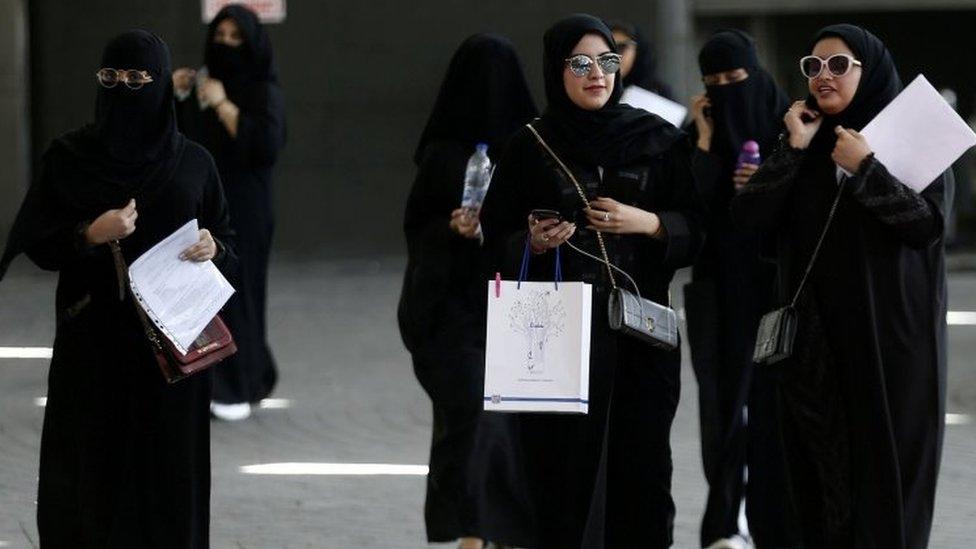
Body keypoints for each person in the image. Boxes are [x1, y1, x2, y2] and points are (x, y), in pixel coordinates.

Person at [0, 30, 236, 547]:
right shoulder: (69, 157)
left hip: (171, 350)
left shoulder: (193, 161)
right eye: (111, 78)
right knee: (90, 470)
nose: (122, 88)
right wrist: (89, 234)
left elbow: (228, 235)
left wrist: (212, 246)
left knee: (168, 473)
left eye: (137, 79)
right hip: (94, 345)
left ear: (158, 82)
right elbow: (36, 244)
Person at [480, 14, 703, 548]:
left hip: (642, 335)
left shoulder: (658, 139)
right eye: (579, 63)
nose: (596, 74)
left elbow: (700, 229)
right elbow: (495, 236)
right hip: (560, 340)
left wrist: (648, 223)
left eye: (606, 61)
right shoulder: (529, 145)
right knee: (563, 470)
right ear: (557, 70)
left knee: (642, 465)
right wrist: (533, 243)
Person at [731, 24, 950, 548]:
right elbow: (748, 221)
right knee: (818, 481)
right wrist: (790, 148)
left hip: (888, 348)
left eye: (838, 65)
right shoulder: (802, 142)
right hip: (813, 349)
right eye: (813, 66)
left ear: (868, 71)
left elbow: (927, 226)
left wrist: (866, 169)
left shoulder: (911, 138)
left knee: (886, 479)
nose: (822, 77)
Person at [398, 33, 538, 549]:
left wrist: (495, 233)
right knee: (471, 413)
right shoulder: (443, 156)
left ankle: (494, 527)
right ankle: (472, 530)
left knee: (504, 424)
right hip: (450, 314)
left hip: (517, 312)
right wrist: (452, 231)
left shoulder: (531, 150)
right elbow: (417, 230)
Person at [683, 30, 797, 549]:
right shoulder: (696, 137)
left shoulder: (789, 129)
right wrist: (705, 142)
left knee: (776, 411)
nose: (727, 91)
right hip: (719, 294)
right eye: (714, 83)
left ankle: (774, 521)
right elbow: (689, 213)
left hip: (778, 291)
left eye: (736, 79)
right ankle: (725, 523)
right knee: (723, 408)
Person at [174, 3, 286, 421]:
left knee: (242, 292)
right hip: (209, 209)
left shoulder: (264, 91)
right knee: (209, 294)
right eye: (219, 36)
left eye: (236, 38)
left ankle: (242, 382)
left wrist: (222, 104)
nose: (225, 45)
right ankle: (218, 376)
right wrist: (180, 93)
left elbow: (264, 147)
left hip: (248, 208)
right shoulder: (205, 83)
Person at [608, 20, 674, 100]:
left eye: (621, 47)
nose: (614, 55)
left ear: (638, 49)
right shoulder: (595, 90)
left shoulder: (658, 93)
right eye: (608, 47)